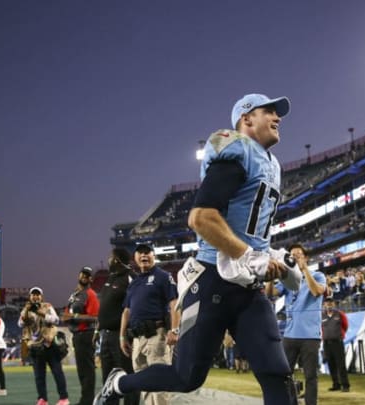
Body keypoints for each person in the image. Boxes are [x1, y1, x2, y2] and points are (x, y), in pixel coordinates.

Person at [95, 93, 301, 405]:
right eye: (268, 111)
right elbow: (201, 217)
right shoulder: (237, 148)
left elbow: (252, 228)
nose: (278, 117)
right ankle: (120, 382)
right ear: (246, 119)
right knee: (185, 377)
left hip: (248, 287)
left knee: (277, 374)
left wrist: (269, 254)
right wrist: (249, 254)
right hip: (211, 280)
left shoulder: (272, 165)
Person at [116, 244, 178, 405]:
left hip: (157, 335)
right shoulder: (134, 283)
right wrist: (122, 336)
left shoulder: (163, 276)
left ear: (153, 255)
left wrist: (175, 329)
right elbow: (126, 312)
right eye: (140, 254)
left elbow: (174, 304)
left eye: (147, 253)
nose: (144, 256)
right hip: (137, 338)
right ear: (135, 258)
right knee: (144, 384)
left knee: (159, 380)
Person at [267, 243, 327, 404]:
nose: (295, 258)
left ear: (306, 258)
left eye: (299, 255)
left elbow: (316, 291)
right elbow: (270, 294)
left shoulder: (318, 275)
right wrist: (271, 278)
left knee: (310, 376)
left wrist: (304, 270)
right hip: (290, 335)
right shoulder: (288, 280)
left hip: (310, 336)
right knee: (285, 375)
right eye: (292, 256)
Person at [96, 248, 139, 405]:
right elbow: (105, 308)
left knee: (127, 377)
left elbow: (135, 306)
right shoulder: (111, 278)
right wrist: (97, 329)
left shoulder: (131, 277)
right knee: (108, 379)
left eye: (111, 257)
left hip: (121, 337)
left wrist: (127, 334)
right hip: (106, 336)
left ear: (118, 259)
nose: (108, 260)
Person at [19, 286, 69, 405]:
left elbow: (56, 320)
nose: (35, 296)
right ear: (30, 297)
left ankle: (64, 398)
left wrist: (42, 313)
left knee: (57, 372)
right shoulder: (26, 309)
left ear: (41, 297)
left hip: (49, 344)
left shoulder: (47, 306)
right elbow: (20, 323)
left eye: (38, 294)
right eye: (33, 294)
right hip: (35, 347)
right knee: (39, 376)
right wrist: (27, 309)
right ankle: (42, 399)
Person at [62, 267, 100, 405]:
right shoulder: (75, 295)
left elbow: (95, 317)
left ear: (91, 279)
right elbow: (67, 313)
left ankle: (87, 401)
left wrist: (74, 316)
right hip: (77, 335)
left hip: (86, 334)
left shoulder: (91, 294)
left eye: (88, 275)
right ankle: (85, 399)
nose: (84, 276)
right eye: (83, 274)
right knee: (82, 370)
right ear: (78, 275)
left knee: (87, 370)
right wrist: (66, 317)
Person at [321, 297, 350, 393]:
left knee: (341, 365)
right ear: (324, 305)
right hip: (326, 343)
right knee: (331, 365)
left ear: (334, 304)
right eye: (327, 303)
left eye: (330, 303)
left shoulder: (340, 314)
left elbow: (345, 326)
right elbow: (321, 328)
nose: (329, 304)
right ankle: (336, 384)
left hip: (337, 343)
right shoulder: (322, 315)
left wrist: (339, 335)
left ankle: (345, 385)